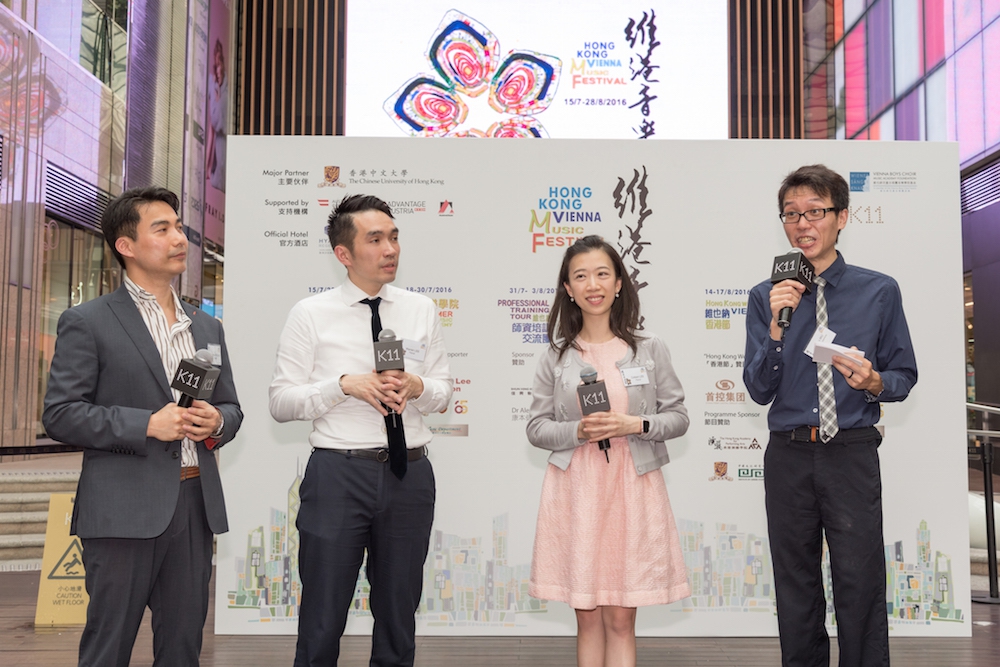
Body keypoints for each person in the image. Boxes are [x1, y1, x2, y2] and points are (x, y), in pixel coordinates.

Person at [43, 186, 243, 667]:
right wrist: (146, 424)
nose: (180, 238)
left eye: (180, 228)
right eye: (163, 229)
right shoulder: (88, 321)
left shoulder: (205, 326)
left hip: (194, 506)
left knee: (182, 649)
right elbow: (60, 413)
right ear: (125, 246)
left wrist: (216, 421)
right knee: (108, 647)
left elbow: (232, 408)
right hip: (121, 512)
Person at [743, 165, 917, 667]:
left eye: (815, 212)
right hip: (789, 455)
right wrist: (778, 330)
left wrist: (874, 382)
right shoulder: (766, 296)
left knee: (859, 580)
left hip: (851, 452)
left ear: (842, 217)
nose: (802, 224)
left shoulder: (879, 291)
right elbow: (758, 389)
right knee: (795, 582)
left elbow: (903, 374)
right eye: (791, 214)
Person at [269, 194, 452, 667]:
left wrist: (416, 385)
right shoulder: (310, 314)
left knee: (397, 615)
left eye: (393, 237)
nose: (390, 248)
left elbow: (443, 394)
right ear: (343, 254)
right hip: (337, 475)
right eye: (375, 239)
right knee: (323, 617)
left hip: (409, 474)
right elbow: (281, 402)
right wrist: (342, 386)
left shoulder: (420, 309)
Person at [526, 235, 691, 667]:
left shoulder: (648, 347)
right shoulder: (557, 356)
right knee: (588, 621)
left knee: (621, 620)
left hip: (632, 487)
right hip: (576, 490)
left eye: (602, 273)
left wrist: (634, 424)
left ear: (619, 282)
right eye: (580, 276)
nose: (592, 284)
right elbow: (537, 428)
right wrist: (578, 431)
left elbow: (678, 417)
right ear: (568, 288)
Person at [206, 39, 228, 192]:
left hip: (223, 133)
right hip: (215, 129)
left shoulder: (225, 90)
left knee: (221, 164)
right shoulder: (212, 84)